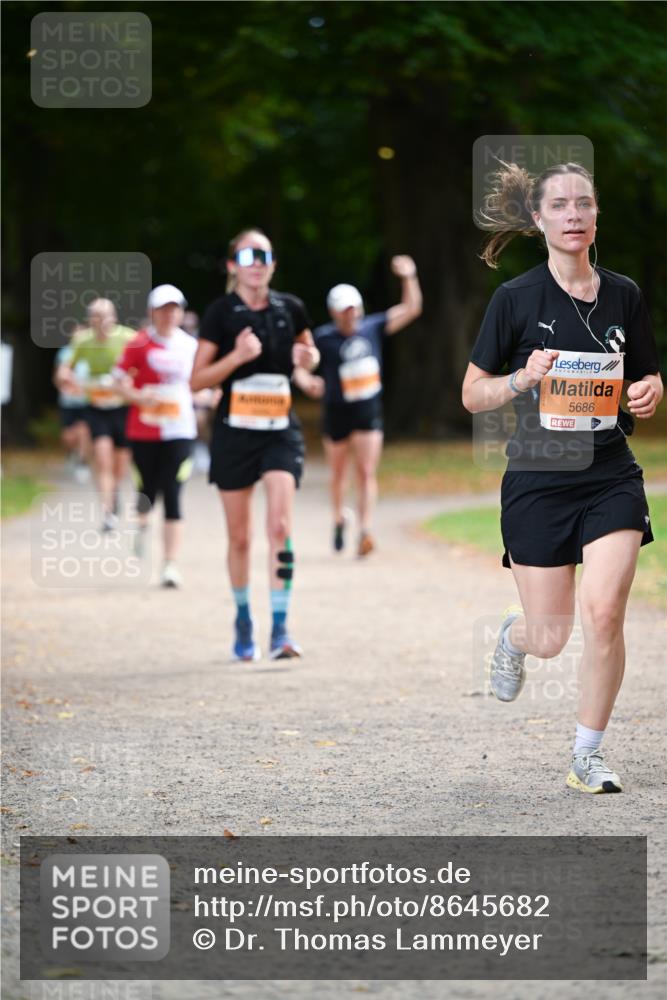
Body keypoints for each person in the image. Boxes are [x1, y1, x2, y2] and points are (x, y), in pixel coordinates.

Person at [462, 161, 662, 793]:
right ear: (540, 219)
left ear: (596, 215)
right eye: (561, 205)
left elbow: (648, 375)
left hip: (609, 472)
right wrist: (524, 378)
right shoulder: (514, 298)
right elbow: (472, 395)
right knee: (551, 636)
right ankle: (514, 638)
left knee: (605, 612)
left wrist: (650, 391)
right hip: (538, 475)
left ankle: (587, 754)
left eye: (584, 204)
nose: (574, 215)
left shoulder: (624, 294)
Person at [190, 228, 319, 661]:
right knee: (240, 537)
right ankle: (244, 618)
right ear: (232, 266)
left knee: (280, 527)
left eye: (264, 253)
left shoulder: (291, 308)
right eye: (247, 255)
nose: (256, 261)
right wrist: (236, 357)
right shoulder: (220, 314)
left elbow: (308, 354)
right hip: (234, 433)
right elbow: (197, 379)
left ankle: (280, 627)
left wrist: (308, 362)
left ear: (273, 263)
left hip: (280, 430)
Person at [295, 257, 422, 556]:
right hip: (337, 413)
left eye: (353, 309)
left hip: (368, 411)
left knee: (365, 471)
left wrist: (409, 276)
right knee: (338, 474)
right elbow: (301, 363)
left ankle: (365, 530)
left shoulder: (373, 327)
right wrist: (306, 382)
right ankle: (339, 518)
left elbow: (412, 308)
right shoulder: (324, 338)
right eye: (344, 311)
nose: (350, 316)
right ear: (334, 313)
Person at [114, 285, 197, 588]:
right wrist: (137, 396)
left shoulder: (191, 346)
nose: (169, 315)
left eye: (175, 309)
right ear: (152, 312)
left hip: (180, 430)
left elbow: (199, 383)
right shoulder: (139, 344)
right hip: (144, 430)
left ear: (182, 312)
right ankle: (142, 527)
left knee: (173, 492)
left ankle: (170, 564)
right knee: (146, 491)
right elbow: (118, 381)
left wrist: (209, 395)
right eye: (163, 309)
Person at [55, 299, 135, 530]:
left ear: (114, 316)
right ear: (90, 319)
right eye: (96, 316)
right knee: (102, 459)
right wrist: (65, 377)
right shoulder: (82, 341)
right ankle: (107, 512)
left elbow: (140, 366)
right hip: (96, 408)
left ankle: (114, 490)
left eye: (105, 315)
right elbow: (65, 367)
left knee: (120, 465)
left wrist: (128, 379)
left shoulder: (128, 338)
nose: (101, 321)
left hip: (122, 407)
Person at [53, 322, 91, 483]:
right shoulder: (64, 354)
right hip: (68, 401)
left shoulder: (91, 353)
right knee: (68, 436)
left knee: (83, 431)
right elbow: (57, 377)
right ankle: (72, 453)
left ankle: (82, 463)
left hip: (86, 400)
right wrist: (63, 385)